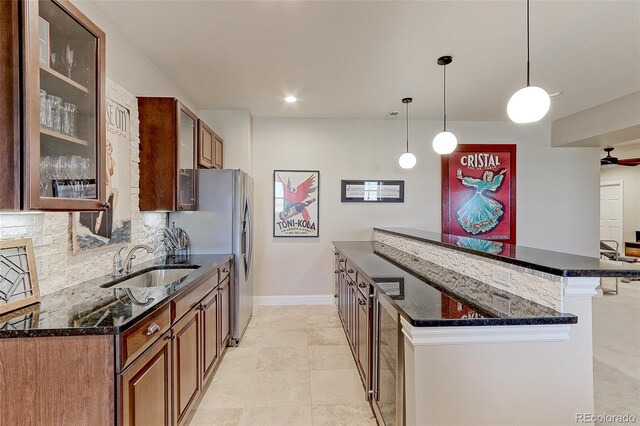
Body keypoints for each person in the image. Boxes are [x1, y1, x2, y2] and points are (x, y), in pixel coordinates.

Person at [455, 168, 506, 235]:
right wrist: (461, 178)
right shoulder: (480, 182)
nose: (490, 178)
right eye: (489, 177)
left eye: (491, 176)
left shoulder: (489, 184)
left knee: (484, 213)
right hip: (476, 199)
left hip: (482, 200)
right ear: (486, 177)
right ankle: (476, 228)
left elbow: (495, 184)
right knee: (473, 214)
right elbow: (471, 181)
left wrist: (500, 174)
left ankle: (480, 228)